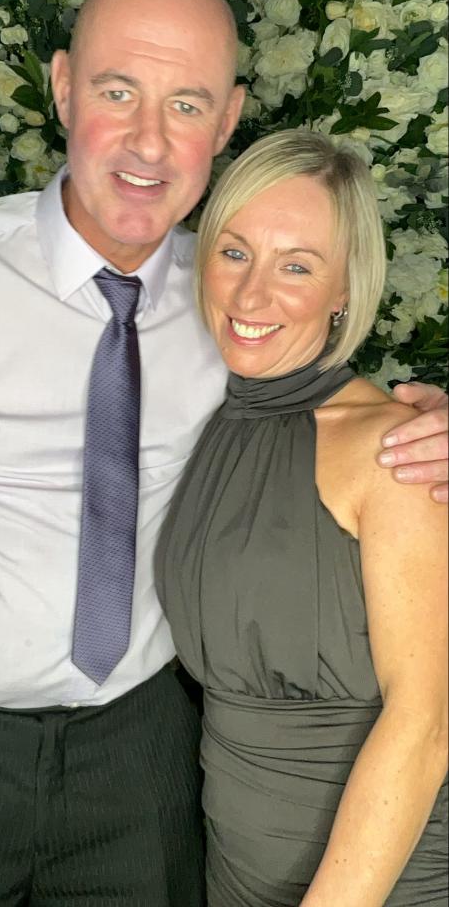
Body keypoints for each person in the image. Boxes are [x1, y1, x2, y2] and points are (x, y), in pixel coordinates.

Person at [0, 0, 446, 907]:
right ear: (64, 88)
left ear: (226, 123)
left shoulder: (231, 301)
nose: (148, 140)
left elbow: (332, 408)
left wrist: (428, 421)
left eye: (185, 104)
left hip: (144, 752)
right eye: (117, 91)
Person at [155, 128, 448, 907]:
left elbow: (425, 726)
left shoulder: (397, 452)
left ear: (344, 287)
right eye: (234, 252)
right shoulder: (207, 422)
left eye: (296, 266)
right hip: (233, 868)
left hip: (377, 882)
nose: (250, 296)